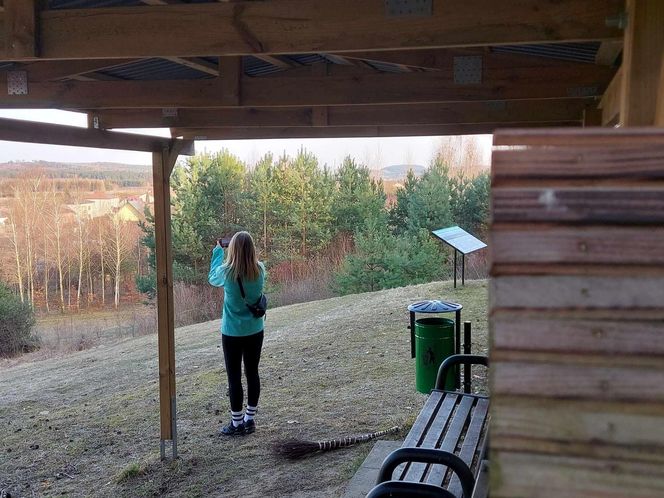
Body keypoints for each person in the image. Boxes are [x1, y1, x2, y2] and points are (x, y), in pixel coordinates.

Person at [208, 231, 266, 436]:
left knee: (234, 377)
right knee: (252, 372)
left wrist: (217, 251)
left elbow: (212, 277)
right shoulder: (260, 270)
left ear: (231, 248)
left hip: (232, 333)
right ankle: (250, 420)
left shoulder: (226, 273)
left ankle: (236, 423)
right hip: (255, 330)